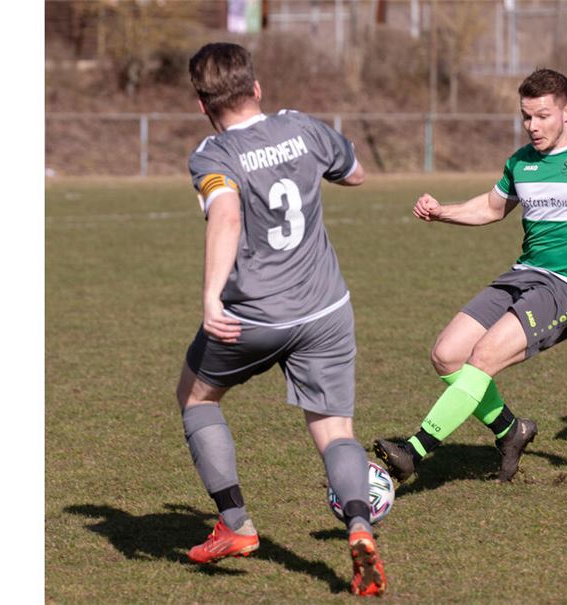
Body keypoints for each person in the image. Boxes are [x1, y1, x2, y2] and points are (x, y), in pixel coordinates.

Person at [374, 68, 567, 483]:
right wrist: (443, 212)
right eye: (526, 116)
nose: (533, 126)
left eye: (543, 116)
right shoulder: (521, 163)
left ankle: (415, 448)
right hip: (522, 275)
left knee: (484, 357)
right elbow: (492, 209)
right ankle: (511, 431)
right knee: (446, 354)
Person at [175, 42, 385, 596]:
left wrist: (211, 298)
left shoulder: (212, 154)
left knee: (196, 398)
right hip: (325, 309)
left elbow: (224, 214)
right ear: (257, 88)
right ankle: (360, 527)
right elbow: (356, 173)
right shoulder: (303, 128)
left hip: (255, 316)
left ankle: (235, 524)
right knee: (335, 429)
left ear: (201, 102)